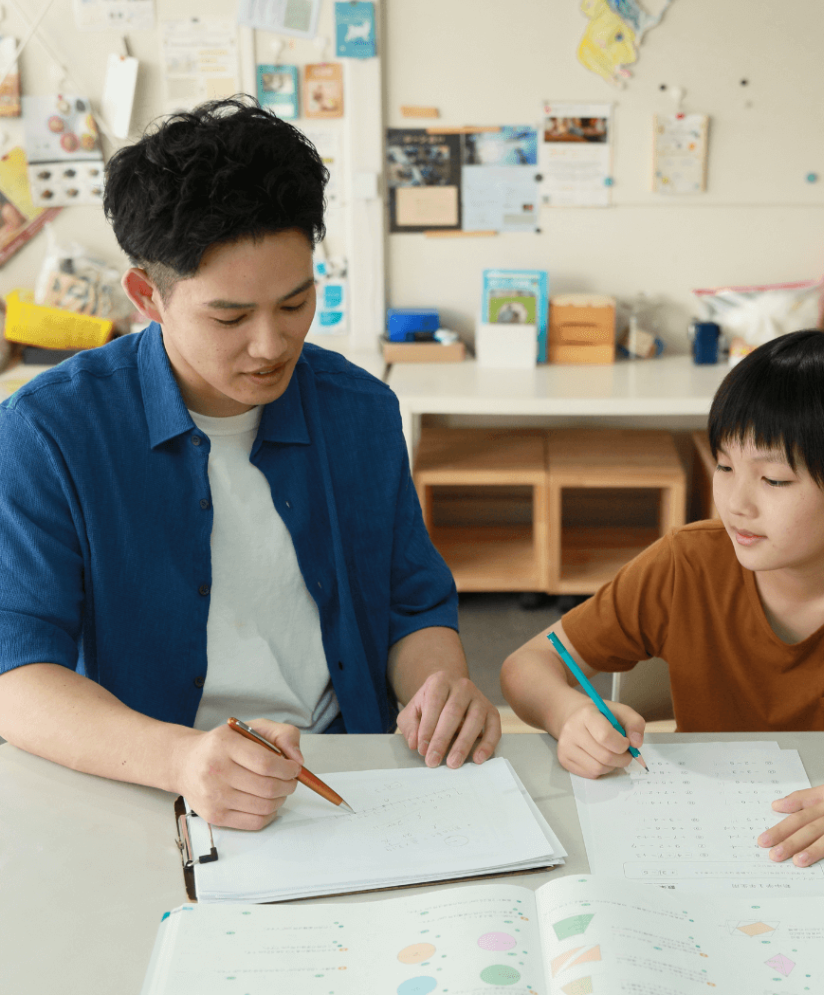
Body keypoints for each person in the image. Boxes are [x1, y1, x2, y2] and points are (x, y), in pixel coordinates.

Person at [0, 97, 499, 831]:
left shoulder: (358, 410)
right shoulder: (50, 432)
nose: (271, 345)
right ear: (149, 296)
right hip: (145, 787)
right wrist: (181, 761)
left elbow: (409, 603)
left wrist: (441, 686)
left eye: (296, 305)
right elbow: (19, 674)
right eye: (230, 318)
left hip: (345, 780)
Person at [501, 329, 824, 870]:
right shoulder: (687, 565)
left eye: (774, 479)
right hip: (713, 842)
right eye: (725, 466)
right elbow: (529, 664)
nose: (735, 503)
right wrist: (570, 715)